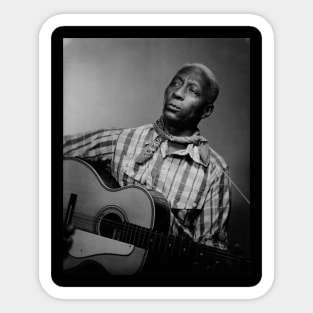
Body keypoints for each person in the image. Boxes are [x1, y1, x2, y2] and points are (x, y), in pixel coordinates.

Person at [63, 63, 231, 275]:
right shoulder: (121, 140)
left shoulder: (214, 171)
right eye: (176, 83)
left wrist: (218, 263)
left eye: (192, 90)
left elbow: (211, 245)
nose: (177, 93)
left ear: (206, 110)